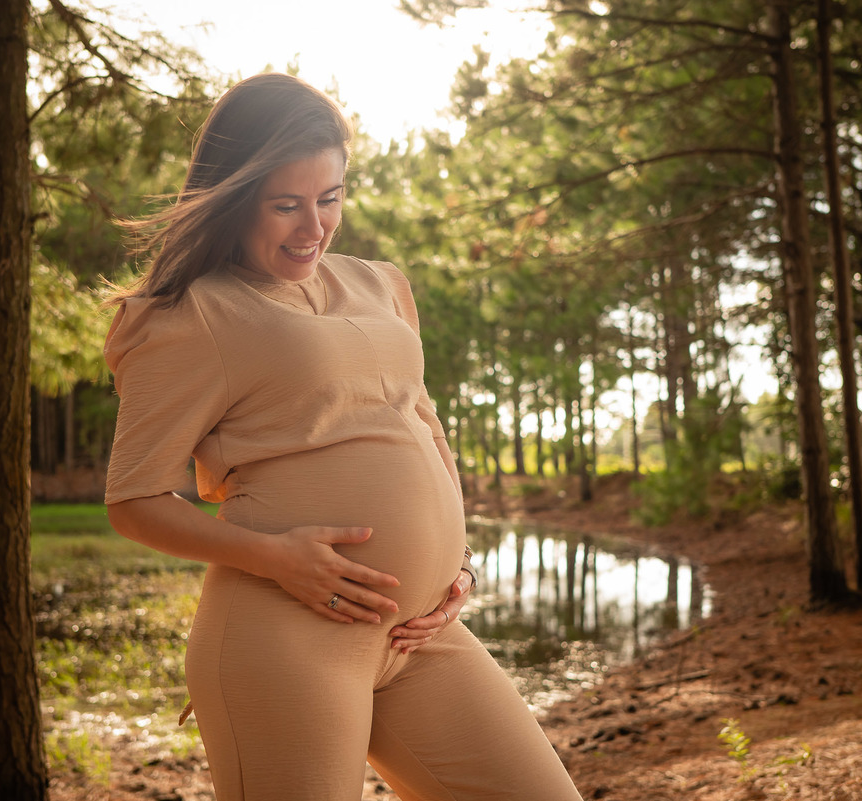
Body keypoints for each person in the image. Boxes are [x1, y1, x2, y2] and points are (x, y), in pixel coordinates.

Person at [103, 73, 582, 801]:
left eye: (329, 199)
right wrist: (276, 557)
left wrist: (458, 561)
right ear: (234, 197)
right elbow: (134, 499)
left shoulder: (379, 284)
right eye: (286, 205)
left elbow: (418, 421)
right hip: (286, 635)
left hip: (419, 634)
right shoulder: (191, 315)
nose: (313, 227)